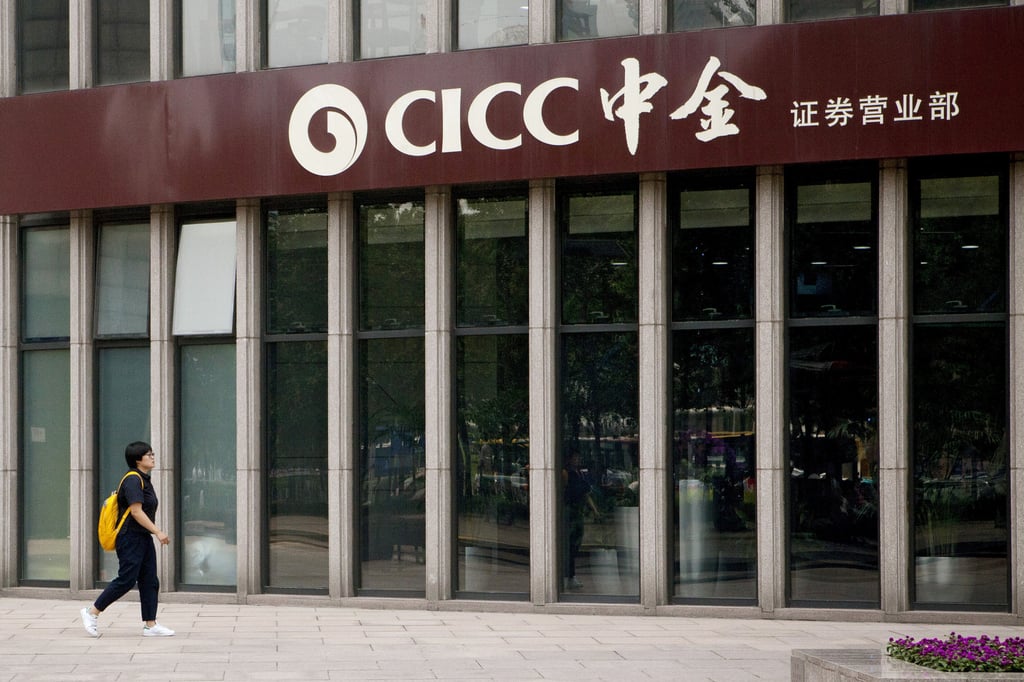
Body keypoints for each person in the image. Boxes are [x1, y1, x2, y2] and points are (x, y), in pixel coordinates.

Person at [80, 441, 175, 637]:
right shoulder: (133, 480)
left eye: (152, 454)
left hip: (142, 537)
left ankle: (150, 625)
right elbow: (136, 511)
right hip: (130, 537)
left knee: (150, 580)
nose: (153, 457)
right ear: (138, 459)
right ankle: (92, 612)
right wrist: (158, 532)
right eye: (149, 455)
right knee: (126, 579)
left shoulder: (144, 479)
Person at [563, 449, 599, 591]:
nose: (577, 460)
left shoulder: (580, 474)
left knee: (575, 545)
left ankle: (570, 575)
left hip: (578, 512)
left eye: (578, 458)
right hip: (570, 512)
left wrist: (594, 510)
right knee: (568, 545)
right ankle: (567, 575)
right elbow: (563, 492)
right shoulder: (566, 473)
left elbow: (585, 494)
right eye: (575, 457)